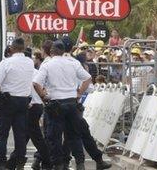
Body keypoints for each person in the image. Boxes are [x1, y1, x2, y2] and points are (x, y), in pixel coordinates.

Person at [34, 41, 108, 170]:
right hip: (72, 103)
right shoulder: (73, 63)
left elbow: (36, 83)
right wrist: (79, 93)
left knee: (54, 137)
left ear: (51, 51)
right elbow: (88, 78)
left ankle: (58, 164)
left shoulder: (48, 64)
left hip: (55, 103)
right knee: (75, 136)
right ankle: (81, 163)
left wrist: (43, 97)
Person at [0, 38, 34, 170]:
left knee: (1, 134)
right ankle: (20, 162)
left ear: (11, 48)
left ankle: (1, 163)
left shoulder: (6, 63)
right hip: (23, 101)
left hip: (7, 102)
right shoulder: (30, 62)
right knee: (20, 135)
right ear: (23, 48)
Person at [25, 50, 52, 170]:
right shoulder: (36, 72)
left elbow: (32, 88)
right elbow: (44, 88)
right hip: (38, 106)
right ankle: (16, 159)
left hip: (31, 106)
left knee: (36, 137)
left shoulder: (25, 73)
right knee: (26, 135)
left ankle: (47, 160)